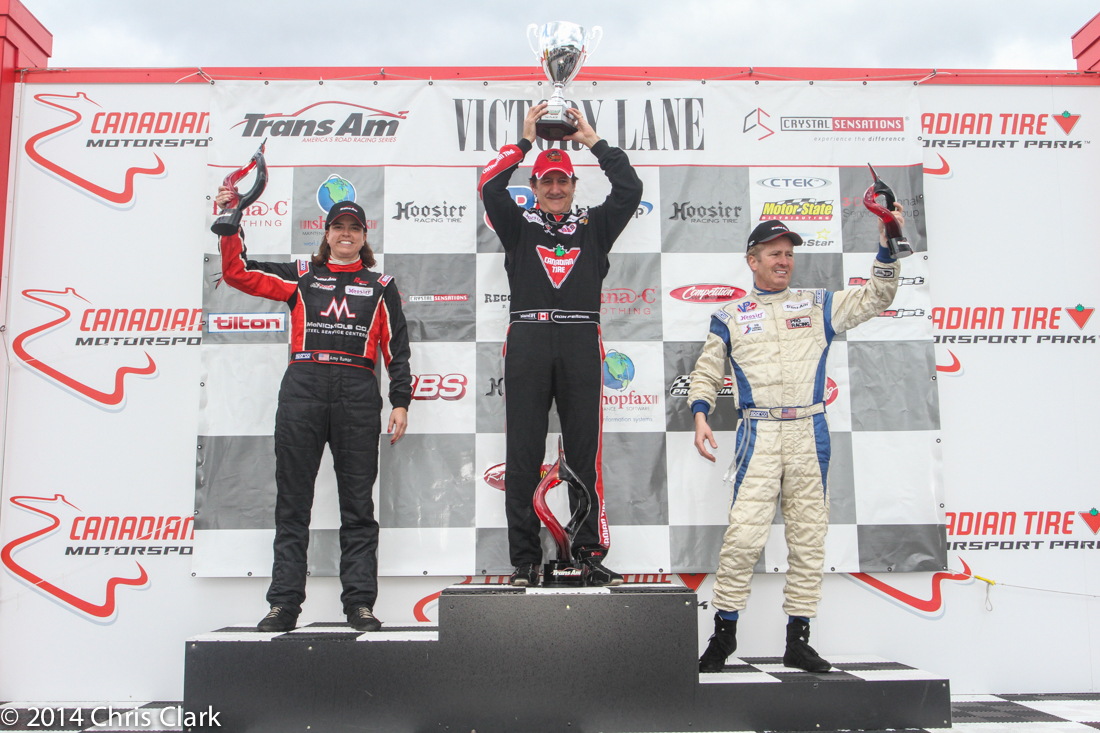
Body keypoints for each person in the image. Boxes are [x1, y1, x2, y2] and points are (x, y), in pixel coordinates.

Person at [688, 209, 904, 672]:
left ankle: (798, 641)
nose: (784, 261)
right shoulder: (729, 315)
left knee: (809, 540)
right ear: (753, 260)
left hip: (809, 431)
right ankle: (723, 636)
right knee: (742, 539)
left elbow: (877, 297)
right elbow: (707, 370)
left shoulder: (817, 303)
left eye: (788, 254)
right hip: (759, 433)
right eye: (774, 254)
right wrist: (700, 414)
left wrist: (887, 246)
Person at [215, 190, 412, 633]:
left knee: (358, 507)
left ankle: (359, 604)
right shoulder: (301, 275)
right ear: (326, 234)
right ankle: (283, 604)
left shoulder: (381, 286)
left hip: (358, 392)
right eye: (339, 227)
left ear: (364, 237)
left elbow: (397, 350)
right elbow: (237, 273)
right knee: (292, 504)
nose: (346, 234)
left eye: (354, 228)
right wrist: (231, 220)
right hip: (303, 388)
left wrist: (401, 401)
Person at [478, 103, 643, 587]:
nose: (554, 188)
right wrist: (525, 141)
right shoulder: (518, 225)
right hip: (528, 340)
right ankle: (525, 559)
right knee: (523, 455)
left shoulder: (595, 226)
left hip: (580, 341)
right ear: (533, 187)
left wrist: (593, 142)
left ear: (574, 185)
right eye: (546, 181)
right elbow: (490, 187)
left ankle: (587, 553)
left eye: (562, 181)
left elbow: (630, 189)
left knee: (583, 454)